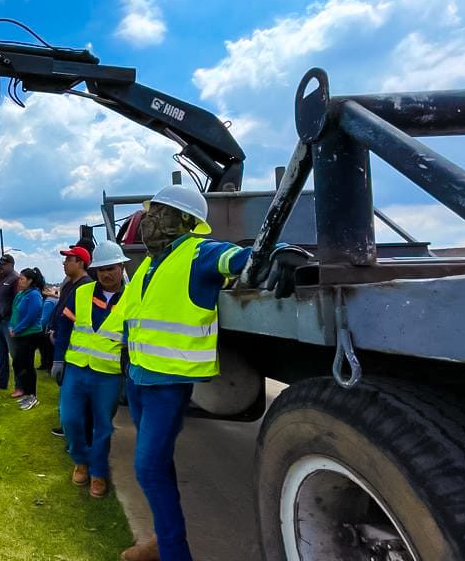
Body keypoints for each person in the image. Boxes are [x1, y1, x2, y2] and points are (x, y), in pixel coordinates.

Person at [118, 185, 309, 561]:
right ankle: (163, 539)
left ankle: (174, 552)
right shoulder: (147, 267)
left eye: (161, 213)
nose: (148, 221)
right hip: (138, 379)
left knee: (149, 467)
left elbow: (240, 258)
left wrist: (282, 251)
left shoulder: (199, 253)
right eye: (149, 212)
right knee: (155, 466)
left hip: (167, 385)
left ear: (187, 222)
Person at [52, 241, 129, 499]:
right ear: (94, 270)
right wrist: (58, 360)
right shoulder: (82, 293)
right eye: (101, 269)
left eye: (112, 268)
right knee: (69, 418)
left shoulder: (132, 300)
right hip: (76, 368)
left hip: (108, 374)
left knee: (102, 426)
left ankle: (97, 472)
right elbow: (64, 327)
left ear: (121, 267)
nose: (107, 274)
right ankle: (80, 460)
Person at [49, 245, 93, 438]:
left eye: (69, 259)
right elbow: (60, 309)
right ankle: (67, 426)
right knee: (65, 388)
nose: (64, 263)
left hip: (75, 348)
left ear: (80, 263)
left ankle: (76, 432)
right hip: (61, 342)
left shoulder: (86, 286)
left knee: (74, 392)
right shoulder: (69, 284)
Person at [9, 267, 45, 410]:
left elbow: (31, 317)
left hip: (31, 334)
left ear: (30, 281)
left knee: (27, 365)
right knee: (19, 363)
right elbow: (14, 311)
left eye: (22, 279)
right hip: (19, 334)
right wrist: (11, 326)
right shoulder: (21, 294)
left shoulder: (34, 295)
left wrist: (17, 329)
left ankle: (32, 396)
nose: (19, 281)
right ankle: (26, 392)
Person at [0, 254, 19, 391]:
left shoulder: (15, 279)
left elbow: (16, 302)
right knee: (1, 353)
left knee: (15, 355)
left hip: (7, 322)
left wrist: (10, 318)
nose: (1, 266)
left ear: (11, 265)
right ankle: (2, 381)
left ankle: (20, 385)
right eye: (0, 264)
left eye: (4, 264)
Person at [38, 286, 58, 372]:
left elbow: (44, 319)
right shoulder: (52, 300)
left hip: (48, 329)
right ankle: (46, 365)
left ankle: (47, 366)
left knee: (46, 348)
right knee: (48, 349)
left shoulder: (48, 302)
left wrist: (37, 329)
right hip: (53, 328)